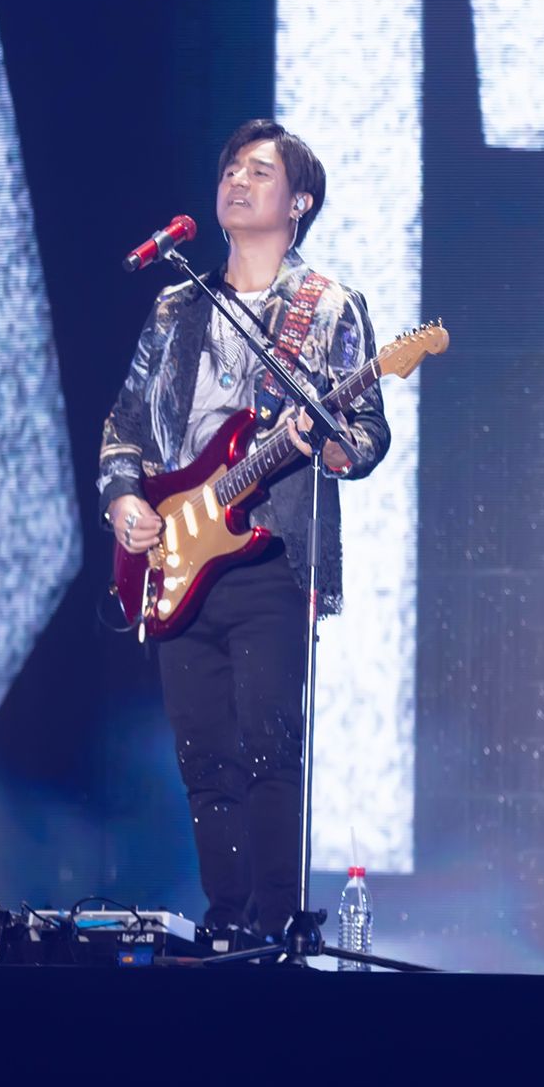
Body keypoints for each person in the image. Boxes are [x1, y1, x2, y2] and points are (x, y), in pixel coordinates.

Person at [98, 120, 391, 938]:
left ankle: (277, 927)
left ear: (299, 202)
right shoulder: (177, 304)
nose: (236, 179)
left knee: (269, 744)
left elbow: (366, 431)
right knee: (203, 757)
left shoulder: (327, 307)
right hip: (176, 556)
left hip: (272, 555)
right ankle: (225, 920)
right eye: (230, 167)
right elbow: (124, 424)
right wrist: (125, 500)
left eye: (259, 171)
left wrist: (326, 443)